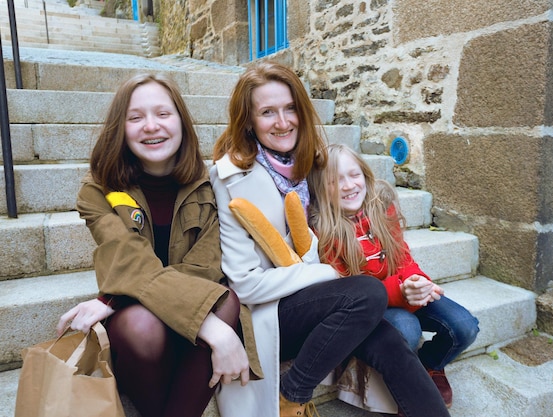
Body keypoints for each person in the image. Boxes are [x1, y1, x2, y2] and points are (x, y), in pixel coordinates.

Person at [210, 61, 450, 417]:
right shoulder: (230, 177)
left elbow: (357, 197)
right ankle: (293, 395)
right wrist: (326, 274)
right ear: (248, 121)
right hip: (271, 311)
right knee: (366, 293)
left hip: (326, 303)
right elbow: (245, 286)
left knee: (387, 338)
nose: (283, 121)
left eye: (290, 108)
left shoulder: (312, 163)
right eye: (267, 112)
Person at [56, 73, 262, 417]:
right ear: (120, 129)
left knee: (226, 300)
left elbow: (205, 268)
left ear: (181, 121)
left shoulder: (209, 184)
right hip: (137, 328)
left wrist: (116, 295)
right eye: (135, 117)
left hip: (187, 300)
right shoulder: (97, 190)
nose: (151, 126)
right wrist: (215, 331)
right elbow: (128, 258)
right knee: (144, 324)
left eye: (163, 114)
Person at [309, 143, 480, 408]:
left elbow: (402, 256)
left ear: (365, 175)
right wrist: (400, 292)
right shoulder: (326, 231)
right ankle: (406, 384)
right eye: (334, 181)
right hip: (372, 307)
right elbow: (348, 288)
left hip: (402, 289)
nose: (347, 185)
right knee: (407, 330)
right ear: (322, 189)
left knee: (465, 326)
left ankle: (430, 364)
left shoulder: (381, 207)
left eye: (353, 175)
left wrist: (417, 281)